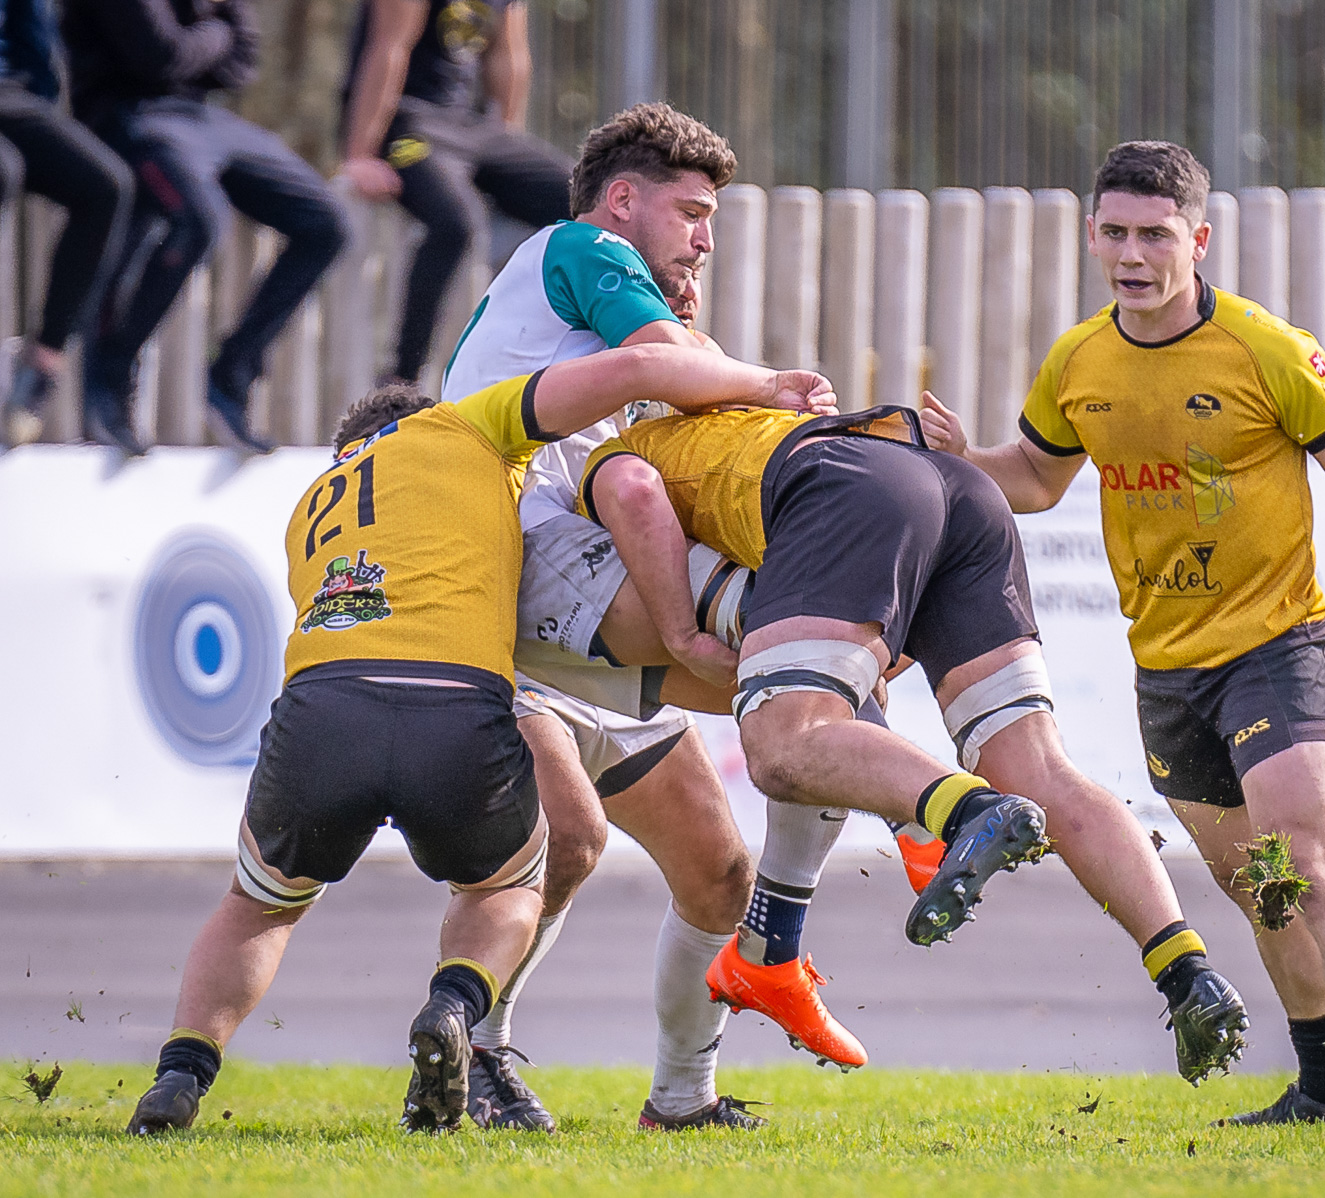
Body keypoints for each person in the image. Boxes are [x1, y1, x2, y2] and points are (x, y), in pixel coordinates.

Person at [124, 334, 833, 1136]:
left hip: (323, 707)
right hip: (458, 700)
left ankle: (179, 1077)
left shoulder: (312, 504)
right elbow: (632, 371)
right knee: (509, 885)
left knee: (258, 907)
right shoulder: (468, 429)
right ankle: (457, 1013)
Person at [920, 140, 1325, 1134]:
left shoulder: (1266, 351)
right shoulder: (1079, 362)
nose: (1135, 252)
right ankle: (1319, 1079)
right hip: (1166, 669)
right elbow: (1039, 480)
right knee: (1253, 881)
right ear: (1093, 236)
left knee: (1301, 854)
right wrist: (960, 461)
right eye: (1117, 232)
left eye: (1156, 234)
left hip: (1275, 644)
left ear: (1198, 239)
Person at [573, 398, 1254, 1089]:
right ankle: (1185, 969)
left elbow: (651, 535)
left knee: (786, 742)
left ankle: (962, 814)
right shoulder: (740, 410)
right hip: (957, 491)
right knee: (1041, 769)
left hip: (848, 492)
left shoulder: (612, 460)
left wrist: (685, 638)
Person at [438, 103, 869, 1130]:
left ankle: (681, 1098)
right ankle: (473, 1050)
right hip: (523, 590)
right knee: (571, 838)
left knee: (722, 861)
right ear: (622, 201)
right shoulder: (583, 247)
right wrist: (765, 381)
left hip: (596, 593)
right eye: (692, 212)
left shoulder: (617, 317)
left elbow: (694, 405)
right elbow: (679, 373)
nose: (706, 237)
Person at [62, 0, 348, 456]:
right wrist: (219, 30)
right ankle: (110, 375)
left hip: (202, 117)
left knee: (327, 224)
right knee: (200, 221)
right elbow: (159, 58)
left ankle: (231, 373)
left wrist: (204, 40)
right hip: (127, 114)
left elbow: (244, 64)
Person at [340, 0, 572, 386]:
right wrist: (360, 153)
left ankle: (565, 360)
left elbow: (508, 57)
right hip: (406, 121)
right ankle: (401, 378)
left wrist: (505, 152)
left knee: (580, 199)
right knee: (455, 222)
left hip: (467, 124)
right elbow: (388, 47)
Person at [0, 0, 133, 447]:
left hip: (8, 94)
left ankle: (42, 366)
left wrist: (43, 107)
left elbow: (32, 30)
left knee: (107, 186)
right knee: (5, 170)